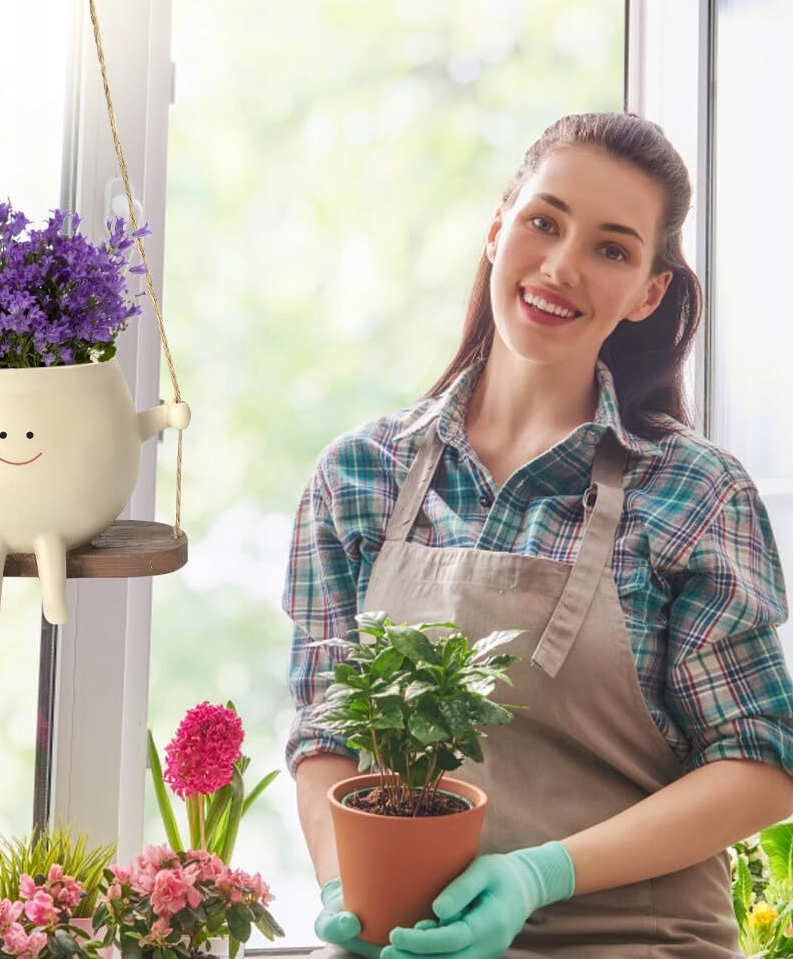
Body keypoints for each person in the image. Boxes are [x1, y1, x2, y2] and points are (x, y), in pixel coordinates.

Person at [283, 112, 793, 958]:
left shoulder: (694, 493)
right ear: (497, 226)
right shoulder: (360, 477)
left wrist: (538, 875)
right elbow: (326, 733)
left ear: (648, 293)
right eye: (544, 223)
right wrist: (348, 890)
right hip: (411, 939)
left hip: (634, 940)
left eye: (613, 249)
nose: (562, 267)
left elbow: (764, 764)